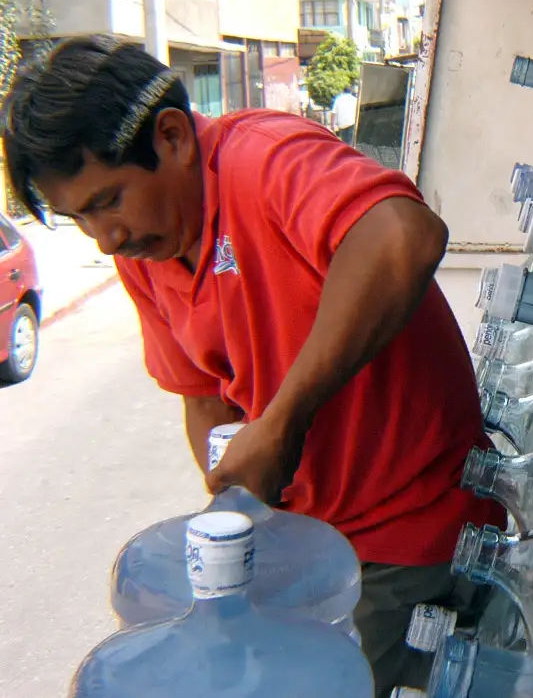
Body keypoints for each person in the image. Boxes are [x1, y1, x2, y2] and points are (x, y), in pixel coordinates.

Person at [1, 36, 504, 696]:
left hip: (412, 529)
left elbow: (403, 236)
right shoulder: (148, 253)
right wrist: (232, 515)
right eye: (79, 219)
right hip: (307, 540)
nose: (105, 237)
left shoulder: (263, 161)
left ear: (175, 137)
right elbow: (203, 397)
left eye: (108, 200)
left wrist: (284, 419)